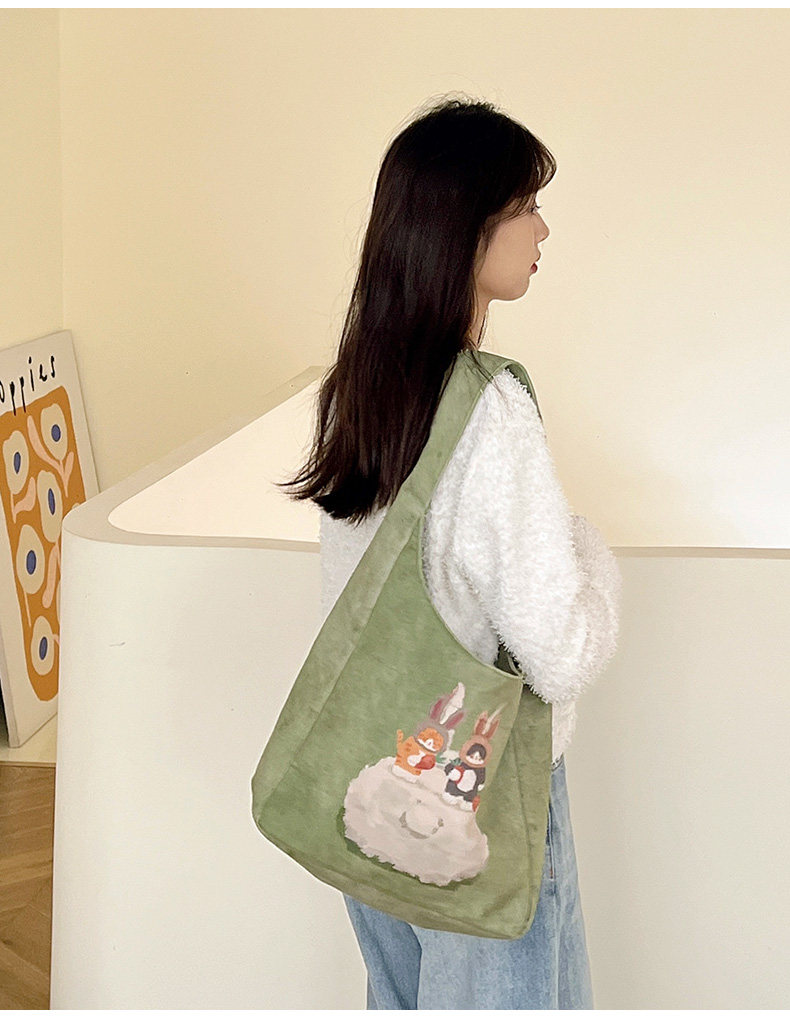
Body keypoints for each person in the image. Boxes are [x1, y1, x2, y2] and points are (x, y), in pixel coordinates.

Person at [277, 95, 622, 1010]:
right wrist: (589, 553)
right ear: (466, 227)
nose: (543, 230)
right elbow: (561, 651)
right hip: (479, 796)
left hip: (371, 779)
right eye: (526, 207)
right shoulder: (488, 408)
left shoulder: (356, 391)